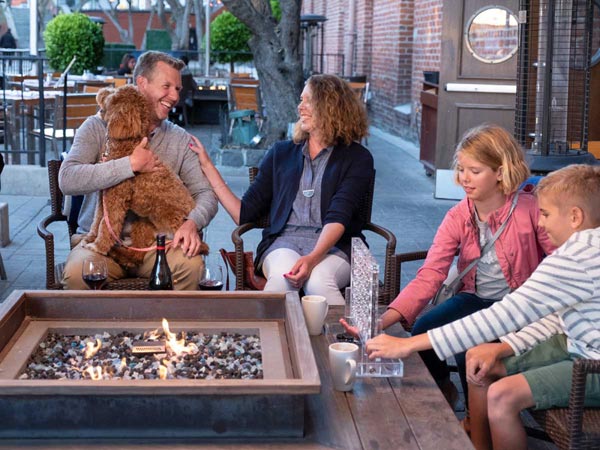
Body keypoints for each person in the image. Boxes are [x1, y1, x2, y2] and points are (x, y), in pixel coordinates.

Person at [365, 164, 600, 450]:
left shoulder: (576, 257)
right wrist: (503, 347)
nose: (542, 223)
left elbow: (507, 313)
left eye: (547, 214)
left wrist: (409, 345)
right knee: (479, 361)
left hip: (590, 364)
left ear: (575, 216)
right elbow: (555, 317)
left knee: (502, 396)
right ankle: (478, 443)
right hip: (572, 342)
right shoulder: (583, 248)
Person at [343, 124, 555, 408]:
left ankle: (475, 417)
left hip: (521, 304)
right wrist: (381, 321)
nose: (464, 179)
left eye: (475, 171)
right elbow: (430, 274)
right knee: (423, 328)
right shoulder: (458, 215)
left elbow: (560, 261)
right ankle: (444, 388)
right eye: (461, 169)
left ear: (501, 172)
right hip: (474, 298)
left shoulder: (530, 210)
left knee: (469, 345)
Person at [189, 74, 372, 305]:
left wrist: (313, 258)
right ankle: (269, 339)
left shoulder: (357, 158)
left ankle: (344, 340)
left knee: (318, 281)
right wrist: (207, 166)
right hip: (284, 242)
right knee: (281, 280)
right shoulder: (282, 153)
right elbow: (243, 214)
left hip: (337, 246)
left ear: (330, 107)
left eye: (308, 101)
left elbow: (339, 214)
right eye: (301, 100)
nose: (300, 107)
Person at [59, 51, 217, 290]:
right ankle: (95, 329)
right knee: (75, 274)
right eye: (167, 86)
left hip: (157, 246)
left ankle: (171, 328)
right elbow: (67, 179)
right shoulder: (97, 126)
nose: (175, 96)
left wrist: (191, 223)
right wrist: (130, 165)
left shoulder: (179, 138)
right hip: (100, 246)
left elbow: (206, 194)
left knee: (191, 268)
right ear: (142, 82)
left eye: (177, 88)